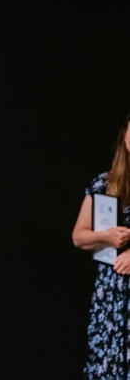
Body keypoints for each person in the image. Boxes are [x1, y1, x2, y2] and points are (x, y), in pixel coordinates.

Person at [71, 113, 130, 379]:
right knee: (106, 363)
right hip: (110, 291)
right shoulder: (104, 183)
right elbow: (78, 236)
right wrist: (105, 237)